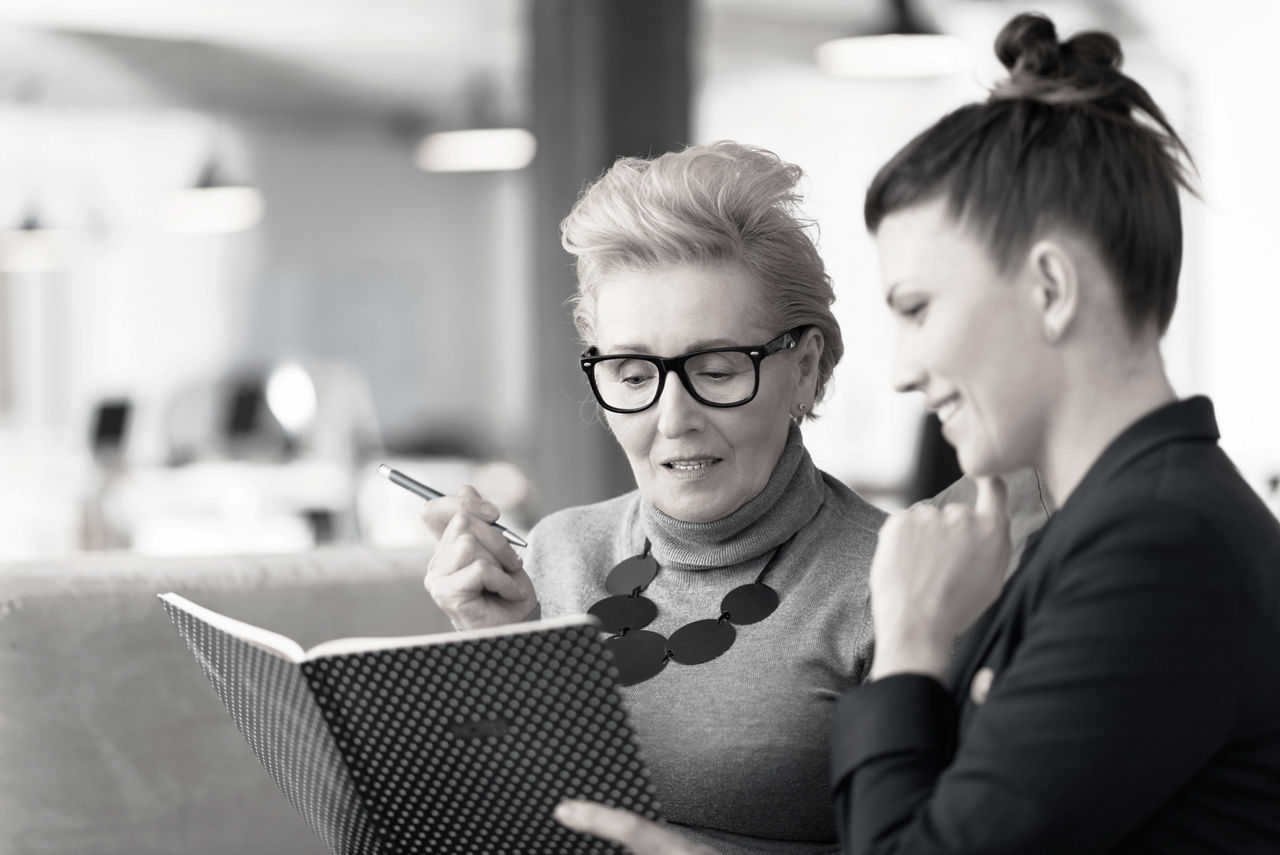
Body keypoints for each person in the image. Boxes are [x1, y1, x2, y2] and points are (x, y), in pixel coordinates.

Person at [557, 12, 1280, 855]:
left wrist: (906, 640)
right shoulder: (1114, 535)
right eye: (635, 371)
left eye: (917, 307)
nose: (900, 367)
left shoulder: (1158, 551)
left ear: (1050, 288)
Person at [421, 141, 1046, 852]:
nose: (673, 417)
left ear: (805, 370)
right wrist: (492, 646)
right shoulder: (555, 553)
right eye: (632, 376)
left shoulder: (904, 586)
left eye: (717, 370)